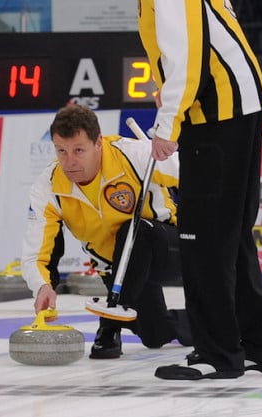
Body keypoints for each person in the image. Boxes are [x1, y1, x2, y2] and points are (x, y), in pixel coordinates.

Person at [69, 0, 262, 380]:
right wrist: (171, 96)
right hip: (231, 106)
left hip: (216, 112)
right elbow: (187, 48)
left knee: (202, 238)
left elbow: (188, 50)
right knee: (228, 237)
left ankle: (220, 355)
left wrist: (167, 124)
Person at [21, 104, 191, 359]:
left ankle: (110, 321)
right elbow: (36, 254)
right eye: (61, 151)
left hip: (168, 248)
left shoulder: (134, 154)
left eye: (79, 150)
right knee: (154, 335)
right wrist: (43, 286)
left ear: (98, 143)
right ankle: (189, 321)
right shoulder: (48, 187)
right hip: (117, 268)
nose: (70, 162)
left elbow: (196, 177)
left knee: (134, 230)